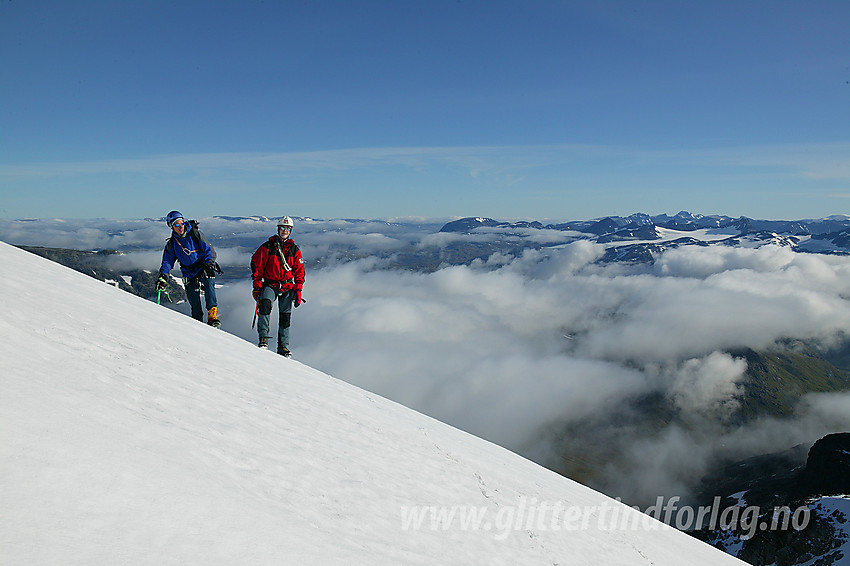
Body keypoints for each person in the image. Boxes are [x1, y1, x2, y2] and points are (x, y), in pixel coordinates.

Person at [155, 211, 222, 328]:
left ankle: (212, 317)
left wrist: (209, 265)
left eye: (181, 223)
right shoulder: (172, 243)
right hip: (188, 272)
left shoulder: (195, 234)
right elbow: (167, 261)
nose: (180, 227)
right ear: (171, 227)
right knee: (193, 298)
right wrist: (164, 275)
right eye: (176, 225)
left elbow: (209, 250)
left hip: (203, 267)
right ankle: (197, 322)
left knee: (208, 283)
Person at [250, 216, 305, 356]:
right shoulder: (268, 247)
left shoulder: (294, 250)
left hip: (287, 286)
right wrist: (257, 286)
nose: (284, 231)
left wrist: (298, 290)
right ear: (278, 229)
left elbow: (300, 272)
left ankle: (283, 346)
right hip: (270, 283)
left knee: (285, 317)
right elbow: (257, 266)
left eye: (287, 229)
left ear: (290, 231)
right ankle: (263, 339)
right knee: (265, 307)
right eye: (282, 228)